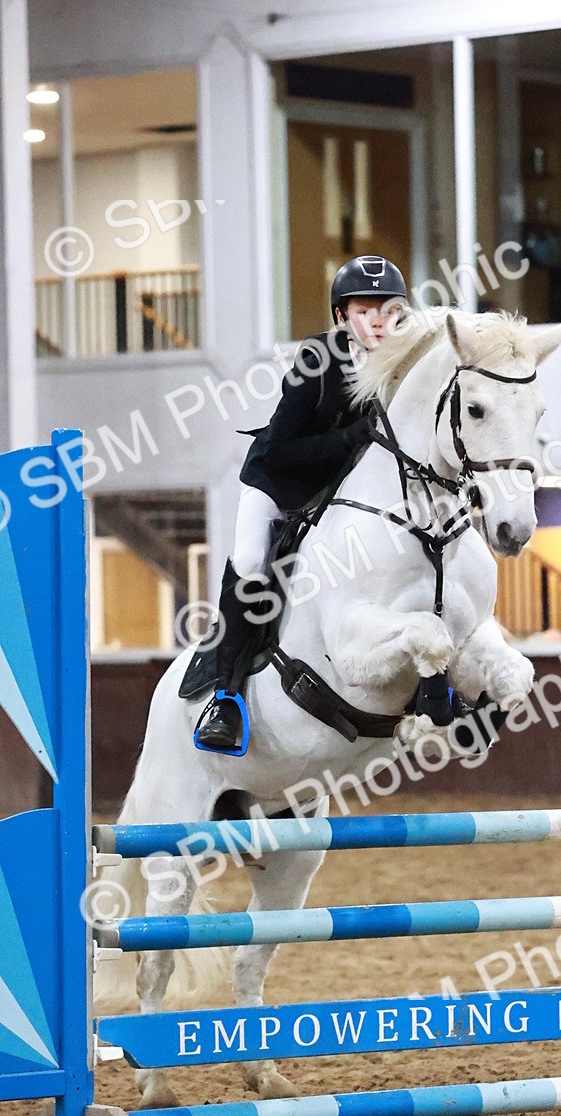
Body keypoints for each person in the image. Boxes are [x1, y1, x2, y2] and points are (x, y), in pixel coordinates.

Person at [194, 255, 408, 752]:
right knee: (250, 563)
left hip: (339, 496)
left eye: (389, 309)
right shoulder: (318, 359)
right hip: (279, 483)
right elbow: (283, 449)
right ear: (341, 317)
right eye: (364, 309)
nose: (378, 319)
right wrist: (350, 436)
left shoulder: (402, 366)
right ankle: (225, 698)